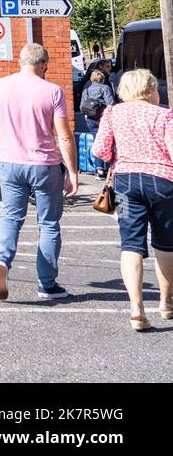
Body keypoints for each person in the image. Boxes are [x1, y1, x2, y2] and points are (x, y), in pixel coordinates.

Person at [0, 43, 79, 302]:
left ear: (21, 61)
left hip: (11, 164)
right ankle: (46, 284)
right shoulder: (53, 92)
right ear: (44, 63)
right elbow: (65, 137)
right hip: (45, 166)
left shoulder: (0, 86)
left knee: (10, 218)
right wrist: (72, 172)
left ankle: (1, 262)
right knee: (48, 224)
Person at [92, 68, 173, 332]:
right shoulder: (164, 116)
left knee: (131, 244)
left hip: (125, 183)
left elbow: (100, 150)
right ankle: (165, 303)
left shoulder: (113, 113)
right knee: (166, 243)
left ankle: (136, 309)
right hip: (162, 182)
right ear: (150, 89)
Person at [79, 68, 118, 179]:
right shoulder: (105, 88)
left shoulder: (87, 89)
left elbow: (82, 105)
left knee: (97, 142)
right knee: (110, 142)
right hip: (102, 118)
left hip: (91, 119)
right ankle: (110, 167)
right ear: (102, 79)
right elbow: (110, 104)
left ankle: (99, 170)